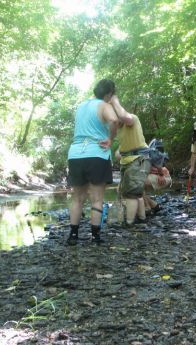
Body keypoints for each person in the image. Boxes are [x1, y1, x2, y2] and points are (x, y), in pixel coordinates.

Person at [66, 79, 130, 245]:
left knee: (77, 198)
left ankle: (73, 235)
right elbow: (115, 120)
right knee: (96, 198)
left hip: (75, 154)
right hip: (96, 154)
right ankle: (95, 236)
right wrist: (110, 138)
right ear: (108, 94)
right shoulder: (104, 105)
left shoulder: (81, 106)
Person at [116, 111, 152, 226]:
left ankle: (129, 222)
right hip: (126, 161)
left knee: (131, 193)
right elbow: (119, 149)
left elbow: (128, 119)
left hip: (138, 159)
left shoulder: (132, 119)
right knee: (136, 192)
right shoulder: (119, 128)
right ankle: (142, 218)